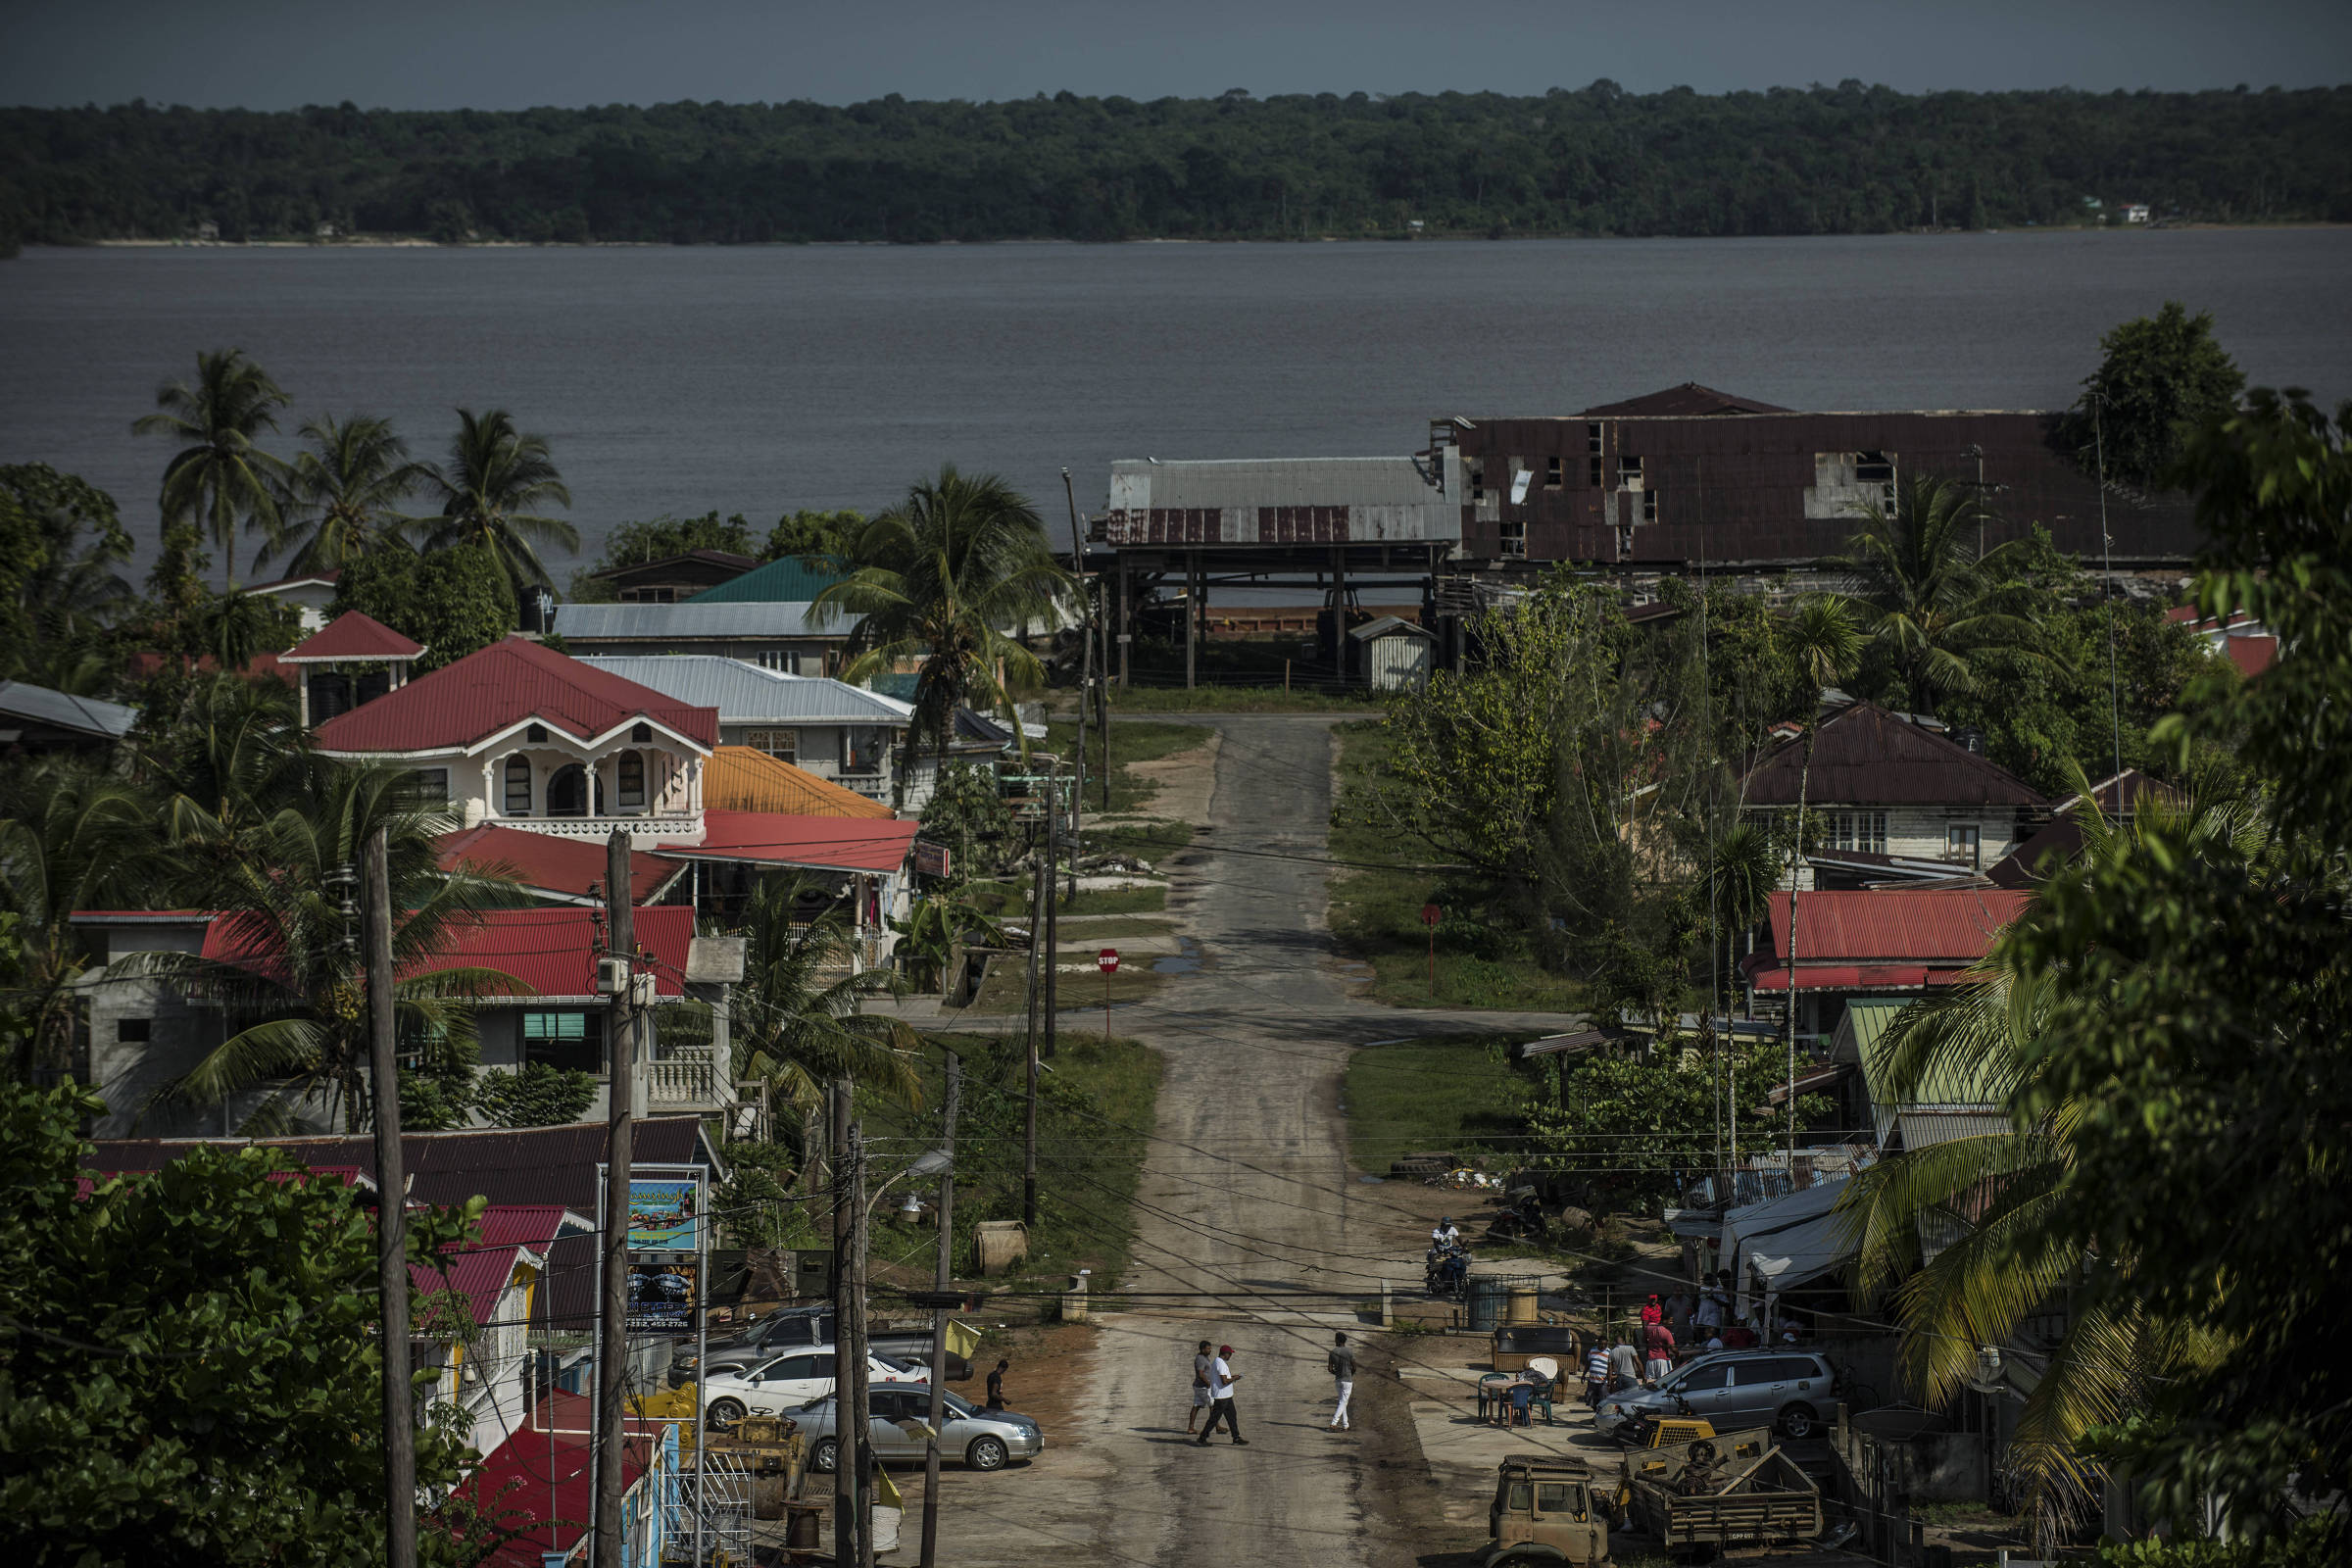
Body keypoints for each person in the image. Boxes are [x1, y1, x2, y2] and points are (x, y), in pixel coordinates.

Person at [1196, 1345, 1247, 1446]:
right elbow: (1224, 1381)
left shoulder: (1218, 1362)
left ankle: (1236, 1437)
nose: (1230, 1356)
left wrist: (1232, 1377)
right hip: (1222, 1396)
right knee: (1214, 1419)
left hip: (1226, 1396)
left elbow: (1223, 1378)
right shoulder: (1221, 1364)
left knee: (1232, 1416)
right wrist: (1235, 1378)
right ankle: (1202, 1438)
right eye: (1230, 1354)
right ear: (1226, 1354)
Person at [1328, 1331, 1356, 1431]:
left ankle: (1345, 1424)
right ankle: (1333, 1423)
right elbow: (1354, 1367)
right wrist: (1349, 1374)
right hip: (1347, 1380)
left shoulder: (1332, 1352)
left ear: (1338, 1340)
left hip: (1338, 1380)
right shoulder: (1349, 1352)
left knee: (1342, 1402)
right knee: (1343, 1402)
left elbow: (1330, 1369)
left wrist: (1337, 1373)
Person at [1188, 1340, 1215, 1435]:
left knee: (1196, 1406)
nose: (1210, 1350)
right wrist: (1208, 1383)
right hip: (1203, 1387)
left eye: (1210, 1348)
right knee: (1213, 1405)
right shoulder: (1200, 1359)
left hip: (1199, 1386)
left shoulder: (1204, 1357)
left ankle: (1190, 1427)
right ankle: (1217, 1426)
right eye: (1208, 1349)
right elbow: (1200, 1373)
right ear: (1202, 1349)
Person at [1642, 1316, 1677, 1383]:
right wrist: (1678, 1354)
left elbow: (1643, 1340)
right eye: (1670, 1321)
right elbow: (1673, 1349)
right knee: (1664, 1383)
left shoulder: (1649, 1327)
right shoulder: (1667, 1332)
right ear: (1664, 1321)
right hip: (1663, 1361)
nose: (1672, 1323)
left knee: (1649, 1383)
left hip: (1650, 1361)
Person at [1583, 1341, 1611, 1407]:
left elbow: (1610, 1367)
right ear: (1598, 1343)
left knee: (1603, 1399)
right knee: (1590, 1399)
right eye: (1601, 1344)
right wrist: (1583, 1375)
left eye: (1605, 1344)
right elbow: (1588, 1363)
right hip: (1592, 1380)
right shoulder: (1592, 1350)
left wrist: (1609, 1381)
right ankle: (1595, 1409)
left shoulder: (1609, 1352)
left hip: (1603, 1381)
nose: (1603, 1345)